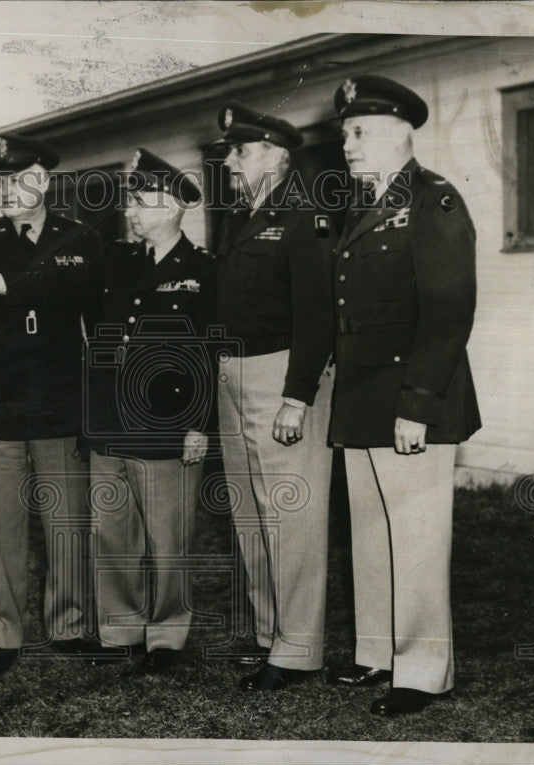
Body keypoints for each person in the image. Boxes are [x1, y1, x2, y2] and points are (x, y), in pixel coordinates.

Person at [326, 75, 480, 716]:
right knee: (370, 531)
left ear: (399, 132)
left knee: (415, 535)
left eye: (359, 132)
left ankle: (420, 669)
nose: (347, 145)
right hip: (363, 391)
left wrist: (417, 403)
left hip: (412, 394)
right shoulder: (363, 203)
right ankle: (377, 653)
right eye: (344, 134)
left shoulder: (433, 200)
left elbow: (448, 311)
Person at [0, 132, 103, 675]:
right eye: (2, 180)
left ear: (47, 179)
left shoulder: (80, 239)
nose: (10, 189)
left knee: (67, 525)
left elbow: (70, 288)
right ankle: (4, 635)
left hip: (60, 406)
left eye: (21, 178)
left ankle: (70, 625)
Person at [213, 102, 336, 691]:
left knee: (291, 514)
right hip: (234, 375)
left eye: (242, 150)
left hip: (281, 375)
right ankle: (270, 634)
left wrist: (299, 396)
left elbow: (317, 315)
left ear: (277, 156)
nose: (231, 160)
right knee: (251, 513)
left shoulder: (303, 215)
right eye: (232, 150)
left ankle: (299, 648)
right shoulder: (244, 215)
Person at [83, 148, 216, 674]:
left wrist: (198, 424)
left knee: (168, 537)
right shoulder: (116, 262)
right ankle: (119, 630)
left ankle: (166, 637)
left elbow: (210, 351)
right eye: (131, 201)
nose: (132, 211)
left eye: (143, 201)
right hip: (110, 423)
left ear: (177, 207)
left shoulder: (203, 270)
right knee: (112, 531)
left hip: (167, 426)